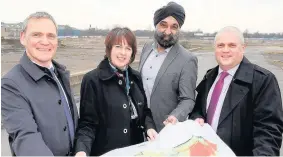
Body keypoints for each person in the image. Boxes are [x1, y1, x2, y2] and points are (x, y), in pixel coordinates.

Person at [190, 26, 283, 156]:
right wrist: (197, 118)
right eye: (220, 45)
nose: (225, 50)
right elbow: (197, 111)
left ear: (243, 48)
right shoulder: (209, 77)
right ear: (215, 49)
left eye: (232, 45)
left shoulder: (263, 80)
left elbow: (269, 131)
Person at [1, 12, 79, 156]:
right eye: (37, 35)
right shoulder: (11, 84)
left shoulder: (60, 74)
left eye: (51, 36)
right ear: (23, 38)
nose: (45, 41)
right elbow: (26, 138)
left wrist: (81, 149)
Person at [74, 27, 157, 156]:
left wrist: (149, 127)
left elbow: (145, 111)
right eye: (118, 46)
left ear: (132, 53)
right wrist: (81, 150)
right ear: (109, 49)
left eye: (128, 48)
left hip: (135, 150)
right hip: (107, 152)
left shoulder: (136, 77)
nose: (123, 53)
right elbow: (87, 124)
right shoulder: (93, 80)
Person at [138, 1, 198, 132]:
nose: (168, 31)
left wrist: (175, 117)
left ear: (179, 29)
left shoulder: (188, 59)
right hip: (139, 125)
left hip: (164, 129)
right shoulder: (147, 48)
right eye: (163, 25)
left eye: (174, 27)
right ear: (156, 25)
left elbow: (188, 99)